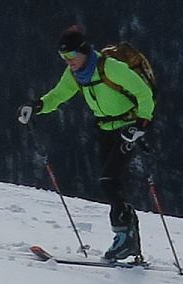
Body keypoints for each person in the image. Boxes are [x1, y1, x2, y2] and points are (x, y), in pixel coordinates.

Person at [20, 24, 157, 262]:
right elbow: (58, 95)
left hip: (127, 128)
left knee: (109, 181)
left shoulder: (110, 67)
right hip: (105, 130)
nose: (68, 60)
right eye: (63, 56)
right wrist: (36, 106)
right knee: (111, 182)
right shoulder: (75, 74)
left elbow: (144, 93)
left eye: (71, 55)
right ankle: (129, 239)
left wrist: (141, 124)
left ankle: (125, 237)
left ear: (84, 50)